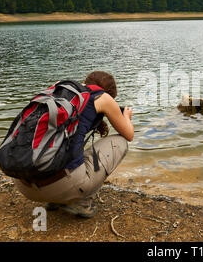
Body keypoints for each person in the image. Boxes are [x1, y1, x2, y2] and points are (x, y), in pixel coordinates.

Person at [13, 71, 134, 218]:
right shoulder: (103, 97)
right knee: (120, 142)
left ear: (85, 81)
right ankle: (76, 201)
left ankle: (56, 199)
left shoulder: (58, 87)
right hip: (62, 187)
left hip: (23, 183)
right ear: (109, 93)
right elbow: (129, 135)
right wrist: (126, 117)